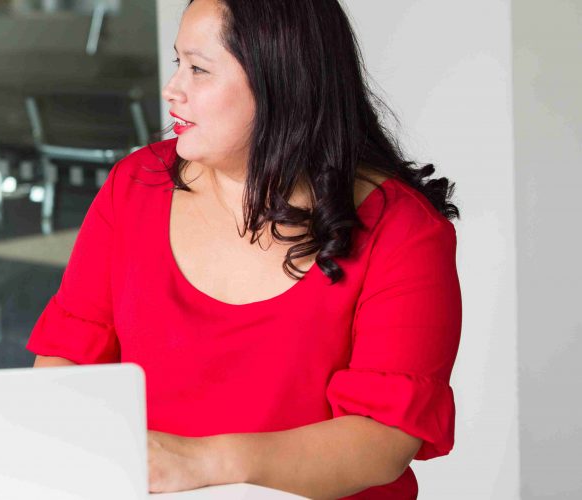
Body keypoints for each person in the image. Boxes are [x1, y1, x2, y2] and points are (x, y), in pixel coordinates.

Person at [28, 0, 462, 498]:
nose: (173, 90)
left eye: (199, 69)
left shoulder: (403, 230)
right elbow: (67, 360)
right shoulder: (135, 185)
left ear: (282, 83)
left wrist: (201, 462)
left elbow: (382, 439)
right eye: (178, 63)